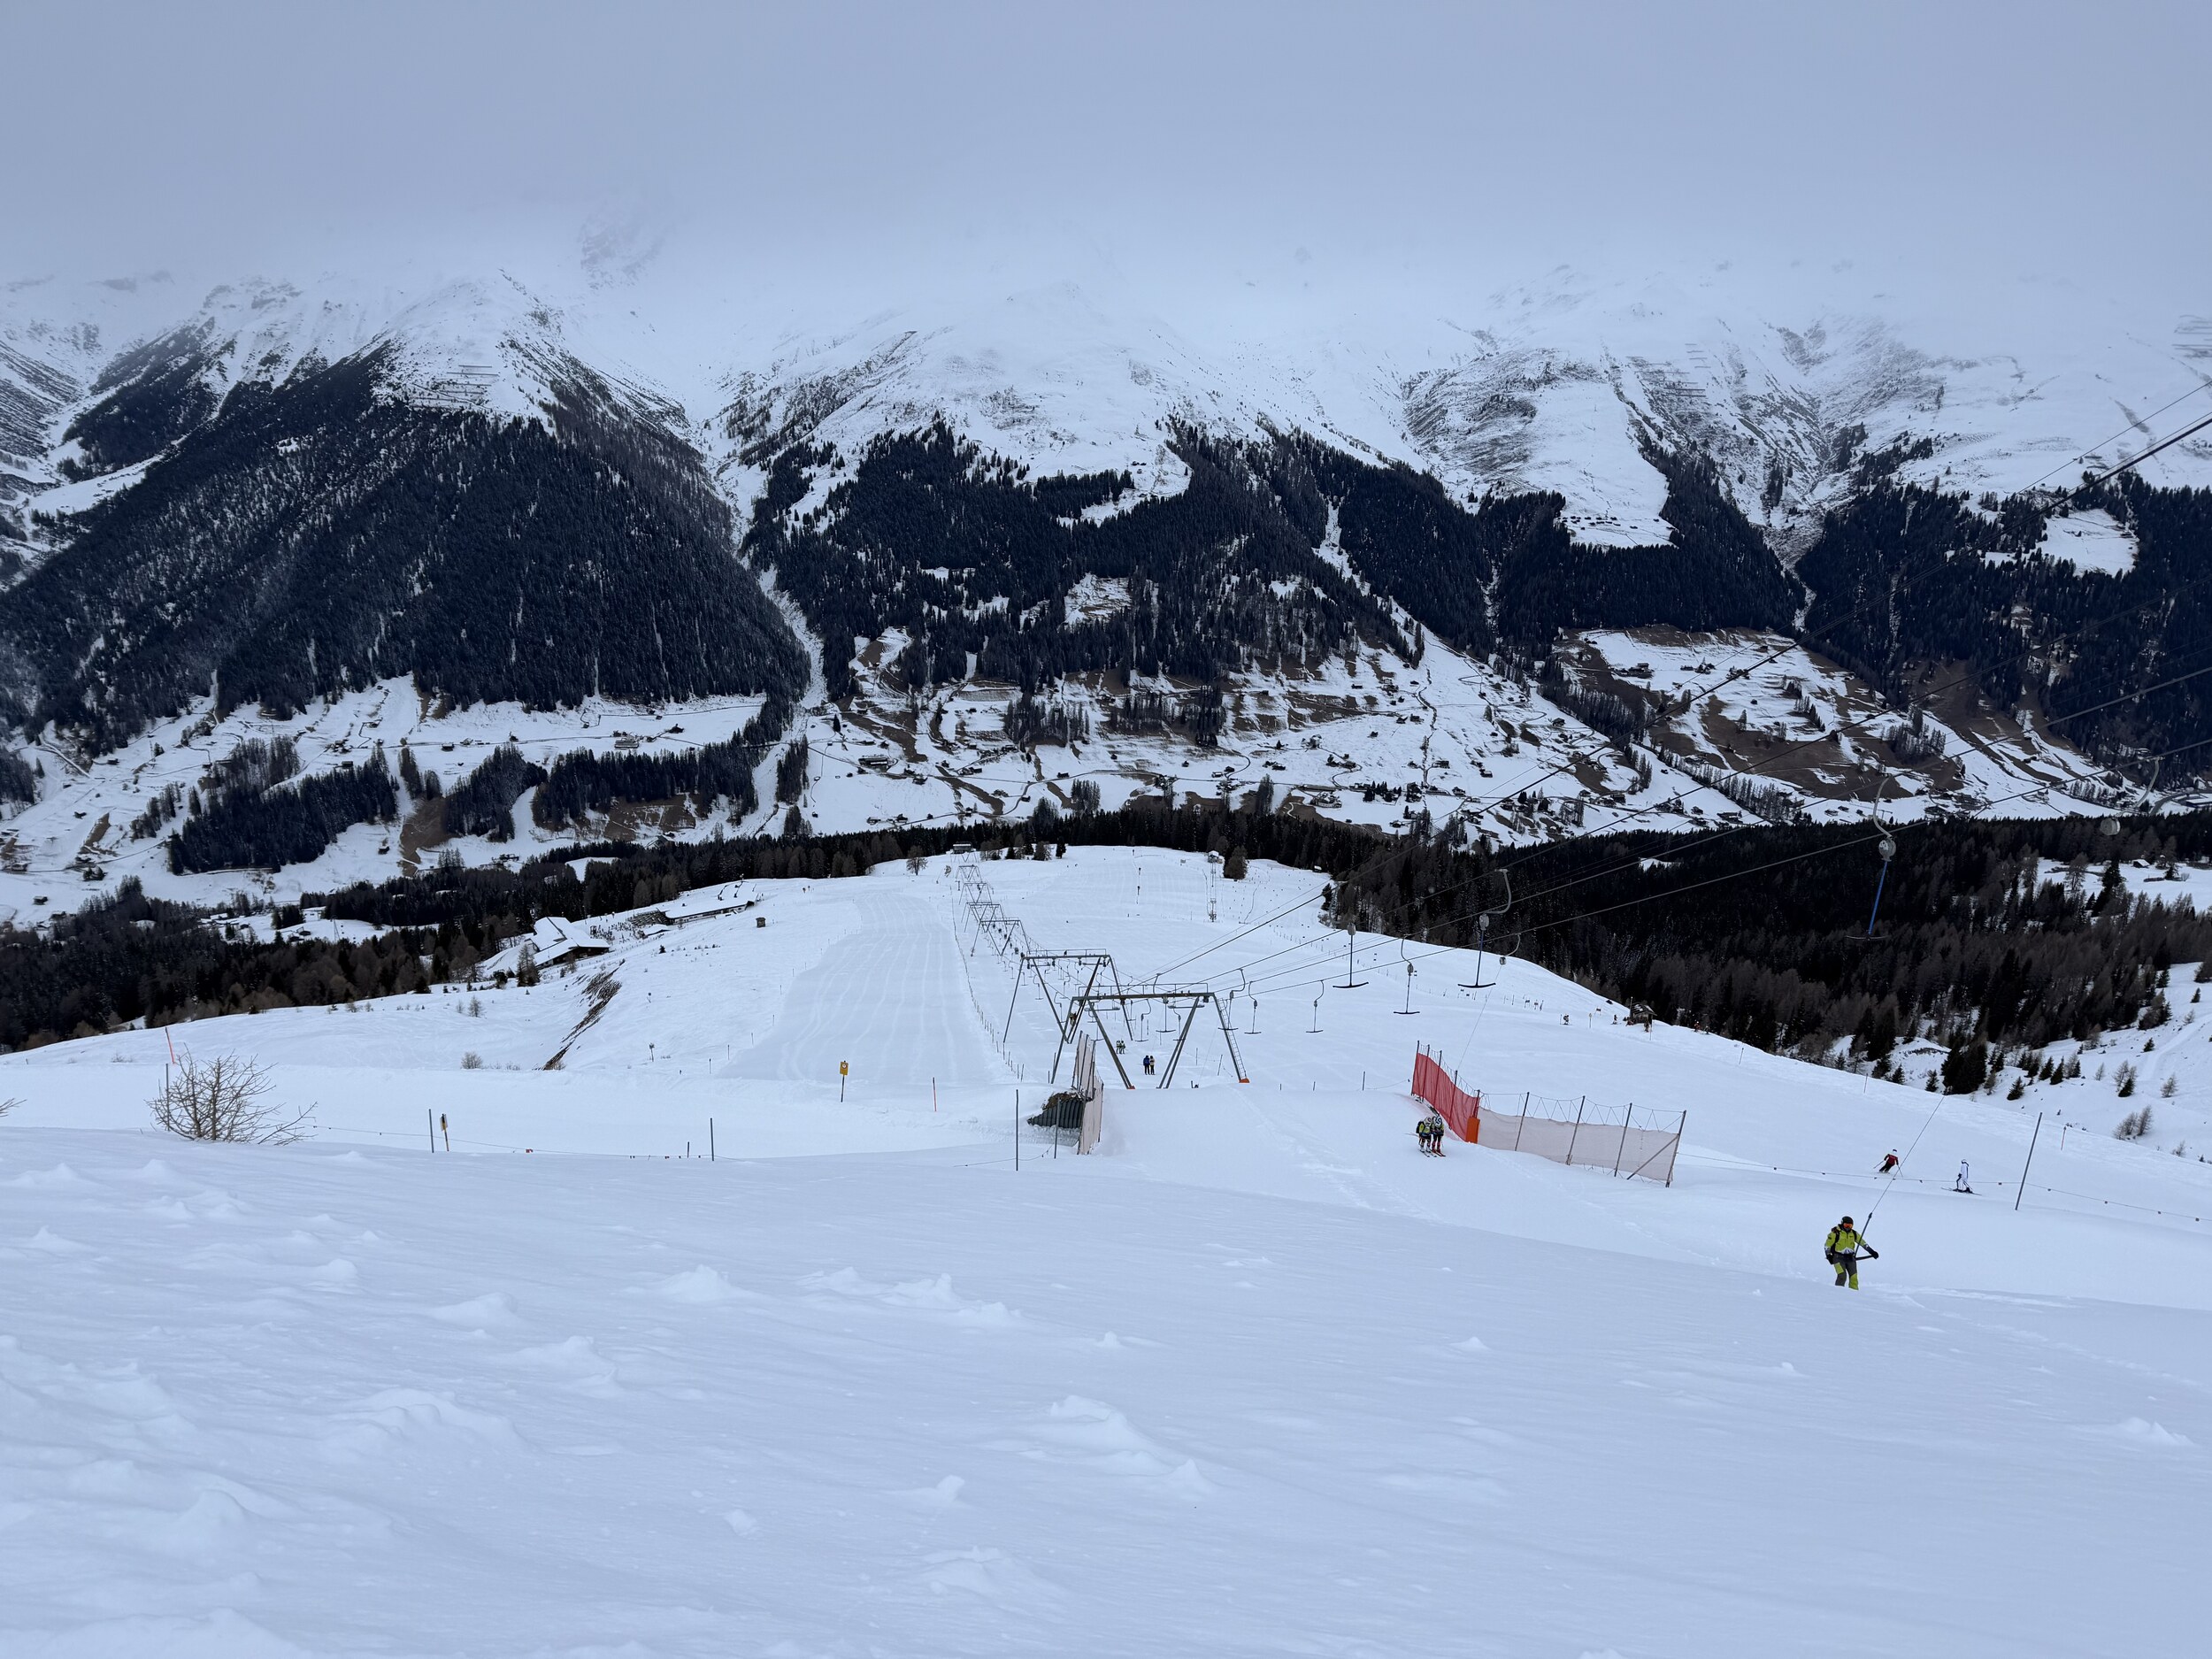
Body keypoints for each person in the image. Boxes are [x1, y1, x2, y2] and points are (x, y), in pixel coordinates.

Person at [1824, 1216, 1878, 1288]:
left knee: (1854, 1277)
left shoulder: (1854, 1234)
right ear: (1842, 1224)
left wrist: (1871, 1251)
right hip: (1838, 1258)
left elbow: (1863, 1243)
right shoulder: (1835, 1233)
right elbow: (1827, 1245)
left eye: (1850, 1226)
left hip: (1850, 1258)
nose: (1848, 1227)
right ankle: (1838, 1292)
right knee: (1842, 1276)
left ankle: (1853, 1293)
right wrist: (1828, 1256)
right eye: (1846, 1225)